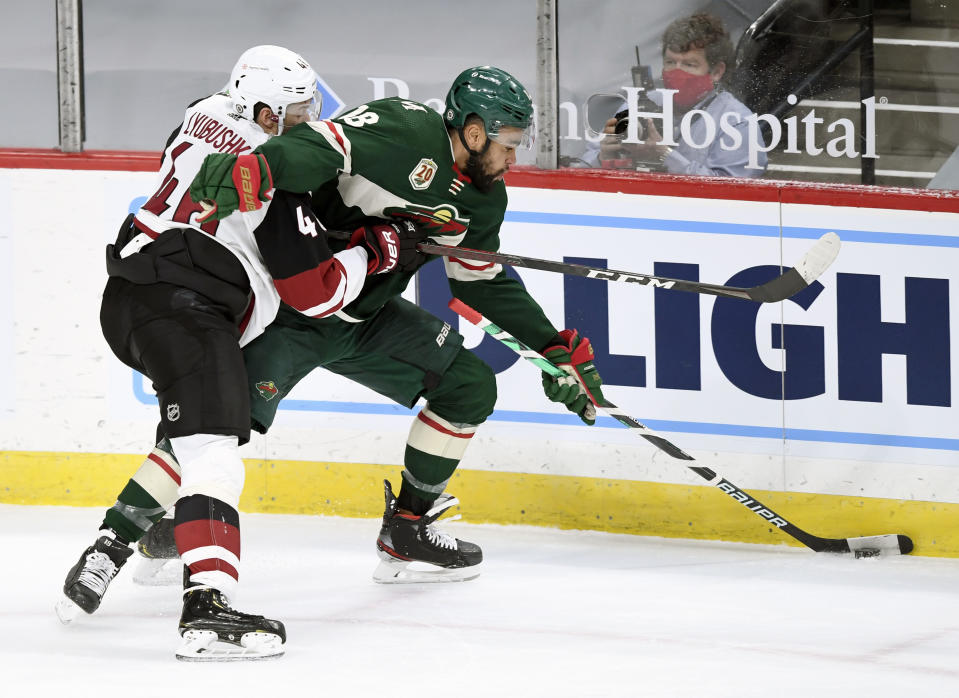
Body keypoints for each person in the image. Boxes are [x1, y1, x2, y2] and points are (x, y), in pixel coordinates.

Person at [63, 66, 608, 602]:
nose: (515, 157)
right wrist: (257, 169)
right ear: (473, 131)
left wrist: (550, 347)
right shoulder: (405, 129)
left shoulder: (485, 200)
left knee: (469, 386)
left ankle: (407, 528)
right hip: (296, 311)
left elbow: (482, 282)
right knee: (213, 426)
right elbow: (319, 146)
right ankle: (124, 542)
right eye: (509, 143)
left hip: (369, 318)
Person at [57, 45, 425, 662]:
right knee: (216, 454)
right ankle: (206, 610)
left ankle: (107, 551)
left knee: (194, 439)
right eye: (298, 112)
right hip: (186, 306)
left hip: (129, 295)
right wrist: (378, 251)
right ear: (263, 110)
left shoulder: (201, 112)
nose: (309, 122)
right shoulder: (267, 172)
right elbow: (313, 293)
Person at [591, 12, 766, 177]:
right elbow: (579, 165)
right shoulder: (638, 104)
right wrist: (601, 157)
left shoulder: (737, 122)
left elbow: (731, 192)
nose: (677, 72)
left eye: (689, 64)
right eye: (670, 62)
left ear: (716, 71)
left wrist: (664, 155)